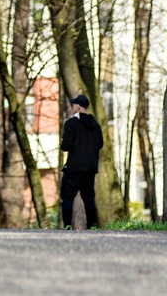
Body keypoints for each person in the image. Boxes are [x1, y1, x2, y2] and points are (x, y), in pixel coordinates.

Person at [60, 94, 103, 230]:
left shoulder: (71, 123)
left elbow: (66, 145)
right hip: (90, 167)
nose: (72, 106)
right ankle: (92, 226)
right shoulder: (95, 125)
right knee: (89, 198)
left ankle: (67, 226)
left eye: (74, 104)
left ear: (78, 106)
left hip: (74, 167)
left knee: (67, 197)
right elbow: (100, 144)